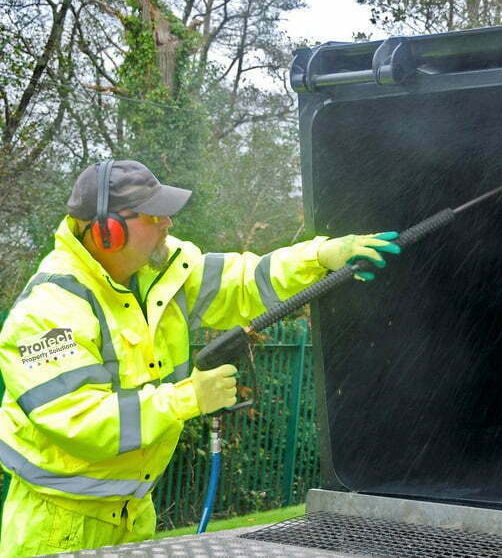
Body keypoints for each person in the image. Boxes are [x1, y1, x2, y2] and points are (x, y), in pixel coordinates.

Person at [0, 159, 399, 556]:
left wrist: (321, 255)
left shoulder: (160, 274)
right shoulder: (48, 311)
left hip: (134, 516)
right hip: (58, 528)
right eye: (154, 216)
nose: (168, 224)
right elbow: (78, 420)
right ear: (108, 232)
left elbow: (244, 282)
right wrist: (189, 398)